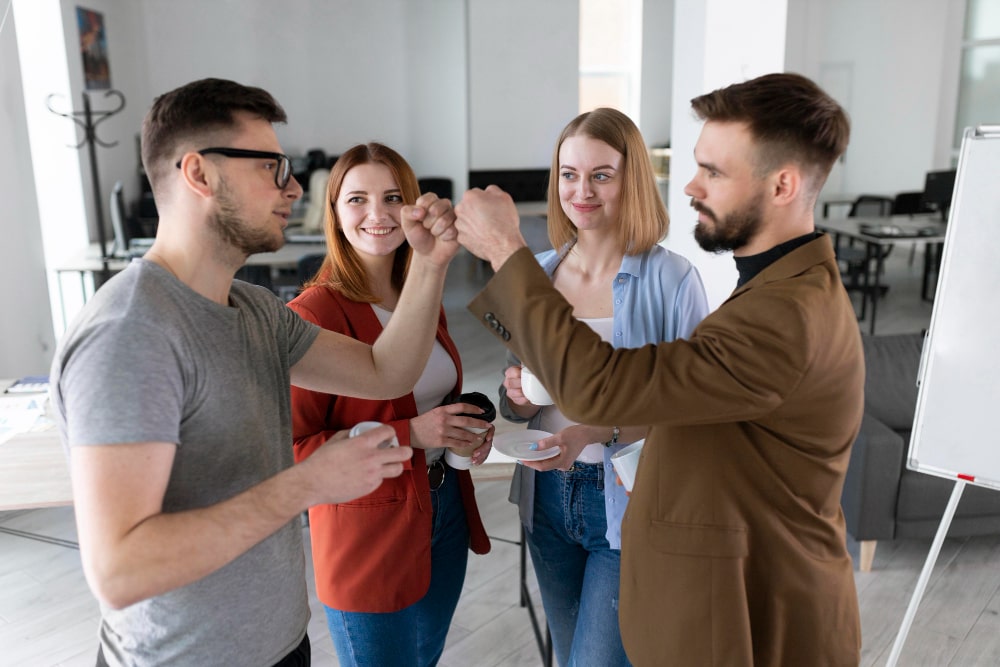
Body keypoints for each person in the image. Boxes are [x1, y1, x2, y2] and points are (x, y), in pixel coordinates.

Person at [454, 72, 864, 666]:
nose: (692, 187)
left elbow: (603, 389)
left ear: (782, 185)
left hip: (753, 611)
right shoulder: (778, 293)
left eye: (715, 172)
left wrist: (503, 251)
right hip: (689, 571)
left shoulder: (783, 317)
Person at [49, 78, 459, 667]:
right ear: (199, 174)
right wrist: (311, 481)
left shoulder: (256, 310)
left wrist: (429, 263)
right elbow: (120, 570)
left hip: (281, 644)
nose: (293, 187)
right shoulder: (132, 332)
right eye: (272, 166)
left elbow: (385, 370)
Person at [497, 108, 708, 666]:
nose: (581, 190)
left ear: (630, 178)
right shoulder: (536, 275)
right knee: (568, 657)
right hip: (545, 495)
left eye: (601, 175)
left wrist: (594, 429)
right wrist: (514, 391)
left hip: (626, 499)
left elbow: (694, 409)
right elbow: (516, 398)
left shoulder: (671, 279)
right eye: (569, 174)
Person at [287, 142, 492, 666]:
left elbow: (434, 399)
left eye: (392, 197)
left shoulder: (419, 297)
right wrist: (413, 435)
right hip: (366, 532)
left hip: (442, 508)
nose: (376, 215)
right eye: (356, 199)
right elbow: (289, 451)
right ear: (333, 212)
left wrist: (462, 431)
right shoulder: (311, 316)